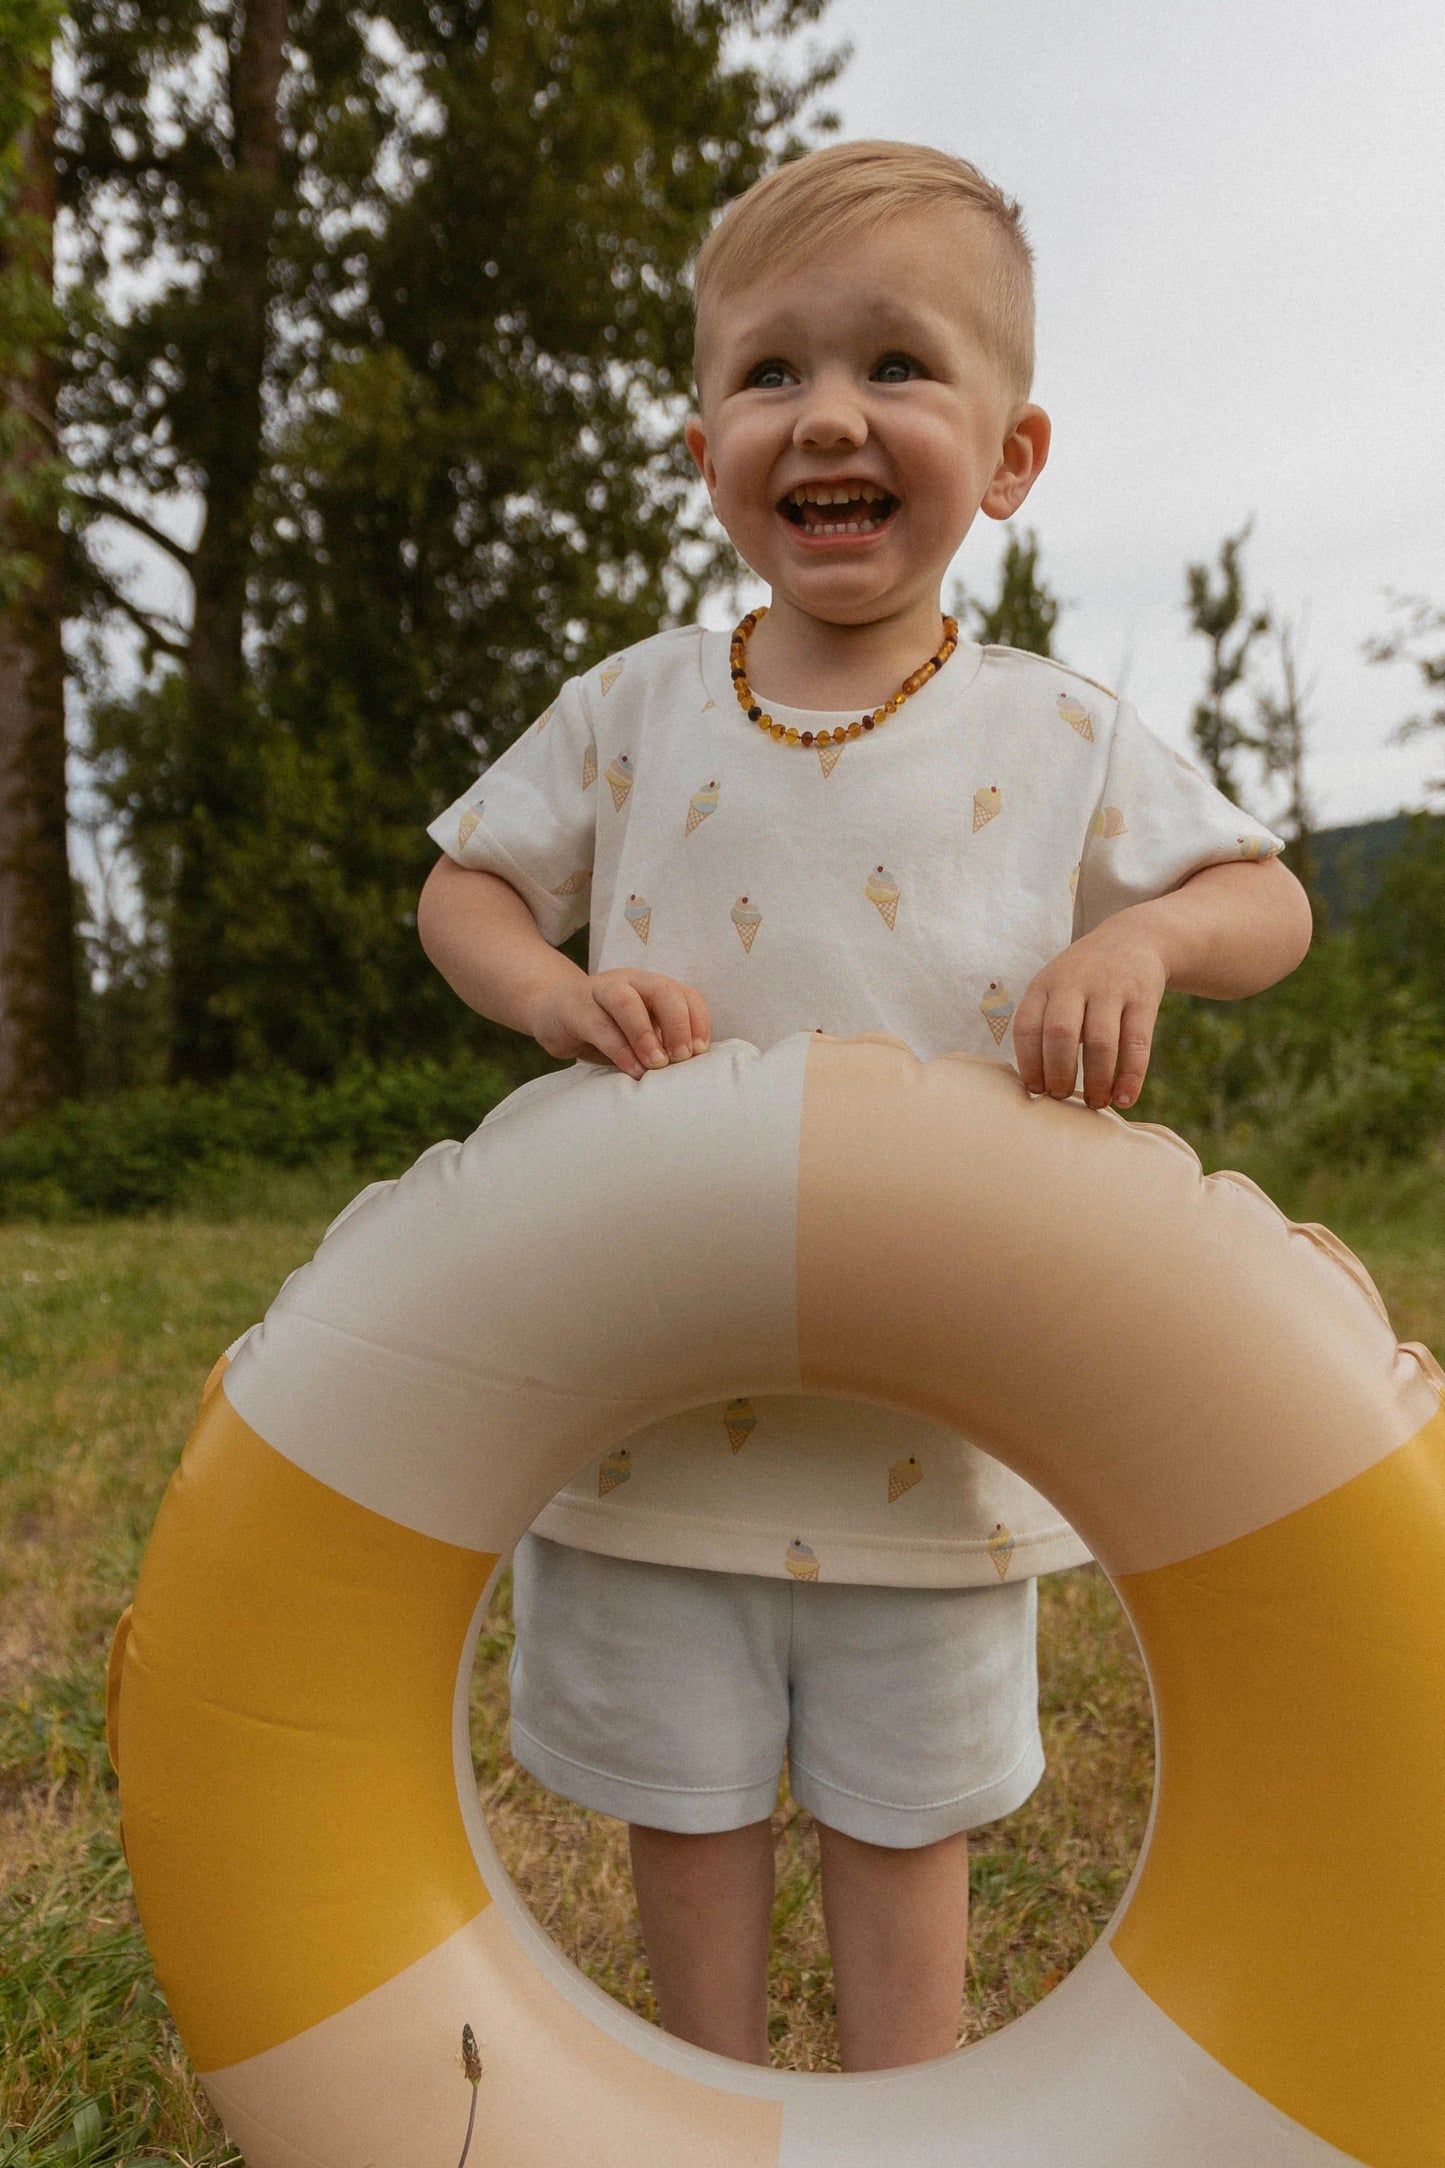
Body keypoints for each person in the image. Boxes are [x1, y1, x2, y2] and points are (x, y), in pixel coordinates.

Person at [416, 140, 1314, 2072]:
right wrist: (553, 990)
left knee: (907, 1840)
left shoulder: (1058, 732)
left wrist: (1138, 949)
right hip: (657, 1430)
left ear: (1009, 455)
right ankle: (715, 2101)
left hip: (930, 1453)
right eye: (769, 374)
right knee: (690, 1818)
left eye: (896, 366)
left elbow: (1268, 896)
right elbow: (466, 884)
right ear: (701, 448)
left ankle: (904, 2120)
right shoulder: (631, 707)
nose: (826, 415)